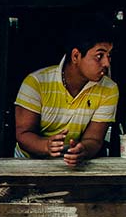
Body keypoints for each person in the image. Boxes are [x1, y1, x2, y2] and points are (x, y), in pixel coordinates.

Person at [13, 24, 119, 168]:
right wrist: (46, 146)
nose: (106, 63)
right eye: (99, 56)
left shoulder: (109, 89)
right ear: (76, 56)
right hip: (27, 163)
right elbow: (23, 135)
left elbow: (94, 139)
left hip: (71, 166)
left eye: (109, 56)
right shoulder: (36, 82)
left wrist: (83, 150)